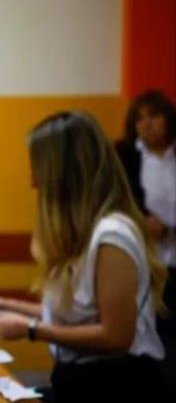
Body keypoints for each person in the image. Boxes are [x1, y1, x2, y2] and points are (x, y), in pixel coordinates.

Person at [0, 111, 168, 401]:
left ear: (62, 173)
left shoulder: (113, 235)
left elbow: (115, 335)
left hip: (116, 386)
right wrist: (2, 304)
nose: (32, 182)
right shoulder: (84, 234)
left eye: (36, 167)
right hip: (77, 381)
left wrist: (31, 330)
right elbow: (78, 315)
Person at [114, 89, 176, 397]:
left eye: (154, 116)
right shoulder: (125, 155)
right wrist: (143, 220)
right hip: (146, 262)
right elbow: (116, 202)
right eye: (140, 119)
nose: (147, 125)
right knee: (153, 341)